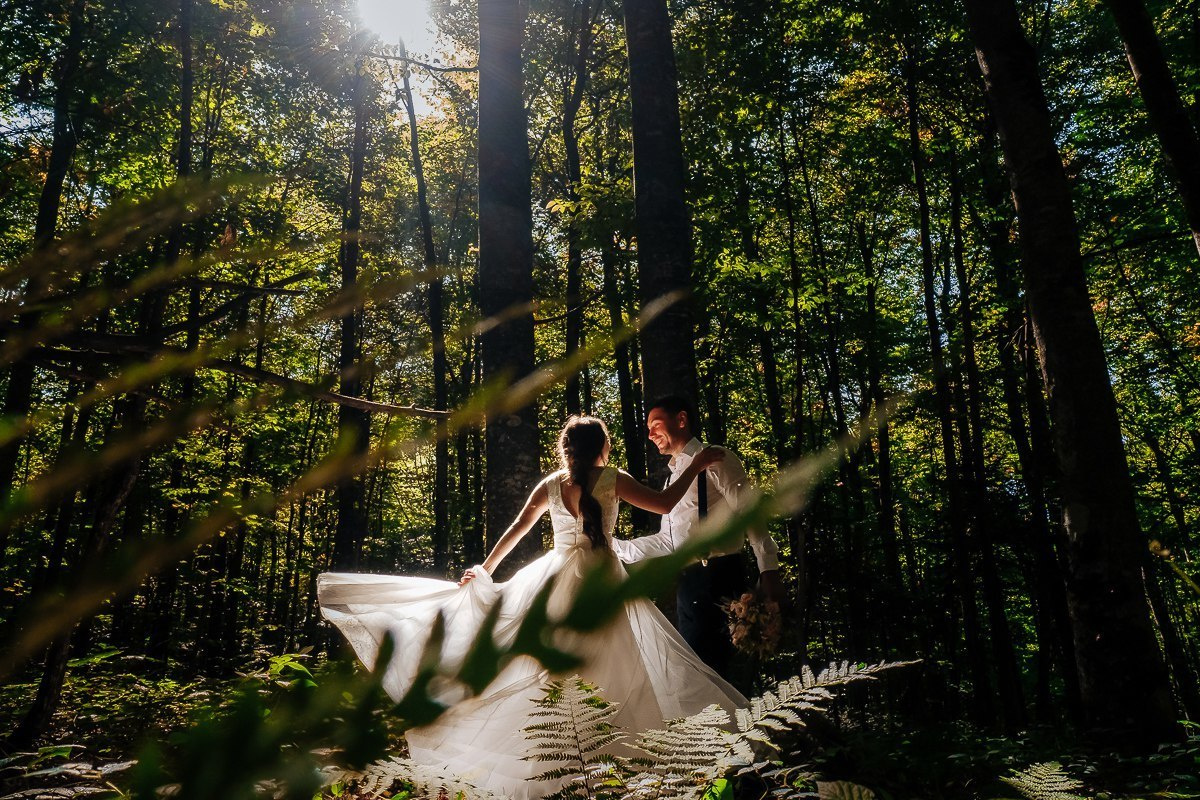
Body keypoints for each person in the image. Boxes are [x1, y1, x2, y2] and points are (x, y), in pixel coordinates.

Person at [317, 415, 746, 799]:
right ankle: (619, 764)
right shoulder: (613, 478)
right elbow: (666, 503)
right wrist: (698, 462)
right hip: (600, 579)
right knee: (615, 665)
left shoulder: (552, 485)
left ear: (566, 449)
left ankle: (557, 763)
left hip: (556, 577)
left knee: (553, 669)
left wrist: (483, 569)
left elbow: (518, 530)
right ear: (603, 447)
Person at [610, 395, 783, 680]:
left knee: (722, 672)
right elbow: (669, 540)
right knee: (698, 672)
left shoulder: (716, 458)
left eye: (656, 425)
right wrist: (616, 548)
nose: (650, 434)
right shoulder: (672, 477)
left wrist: (769, 570)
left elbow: (749, 512)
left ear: (681, 420)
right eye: (648, 428)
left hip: (721, 577)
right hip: (689, 584)